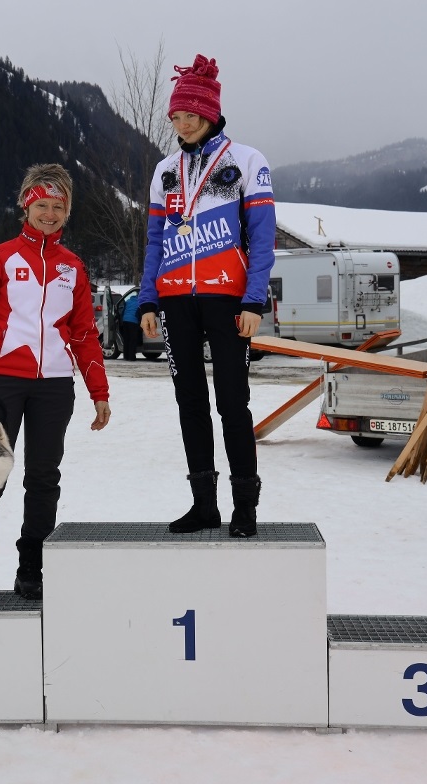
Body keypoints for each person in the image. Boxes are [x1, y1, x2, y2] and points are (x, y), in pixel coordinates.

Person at [0, 163, 112, 600]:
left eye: (58, 206)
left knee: (44, 478)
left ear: (67, 211)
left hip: (55, 388)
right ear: (27, 206)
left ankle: (32, 571)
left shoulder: (73, 268)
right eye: (41, 204)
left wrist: (99, 392)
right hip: (1, 384)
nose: (49, 213)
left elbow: (83, 334)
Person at [138, 54, 276, 538]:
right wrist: (148, 300)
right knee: (189, 401)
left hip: (227, 300)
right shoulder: (164, 171)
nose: (183, 123)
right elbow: (155, 240)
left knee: (232, 403)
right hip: (175, 301)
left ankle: (245, 507)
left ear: (212, 113)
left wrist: (253, 301)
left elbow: (262, 238)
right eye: (176, 116)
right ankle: (204, 505)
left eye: (191, 114)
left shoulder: (246, 162)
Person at [119, 289, 141, 361]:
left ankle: (126, 356)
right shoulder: (139, 302)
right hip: (133, 321)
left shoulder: (128, 301)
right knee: (132, 340)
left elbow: (123, 311)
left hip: (125, 321)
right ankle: (131, 357)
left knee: (126, 339)